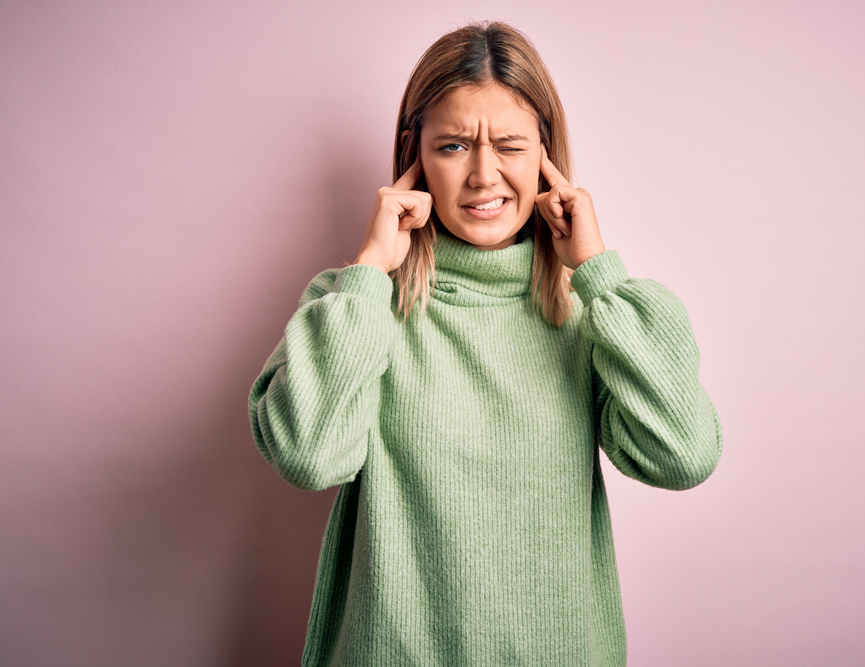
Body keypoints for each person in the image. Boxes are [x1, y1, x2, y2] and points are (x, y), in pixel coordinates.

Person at [249, 21, 722, 667]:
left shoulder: (598, 313)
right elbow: (307, 456)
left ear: (545, 158)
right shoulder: (354, 305)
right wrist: (368, 273)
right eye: (452, 146)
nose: (483, 173)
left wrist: (598, 272)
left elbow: (683, 456)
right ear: (413, 158)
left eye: (509, 144)